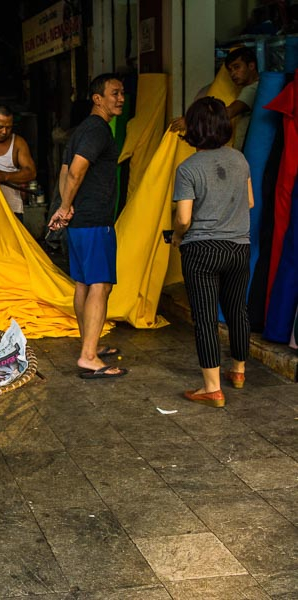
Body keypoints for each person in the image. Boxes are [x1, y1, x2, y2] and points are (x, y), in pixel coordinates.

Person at [172, 97, 253, 407]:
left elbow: (183, 219)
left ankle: (212, 389)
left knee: (206, 319)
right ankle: (239, 371)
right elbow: (249, 202)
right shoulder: (240, 159)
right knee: (237, 311)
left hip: (202, 251)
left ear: (192, 129)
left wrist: (178, 237)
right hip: (239, 248)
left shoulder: (188, 168)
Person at [48, 73, 128, 379]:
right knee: (101, 285)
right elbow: (77, 169)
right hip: (94, 219)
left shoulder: (82, 130)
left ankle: (88, 343)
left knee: (83, 283)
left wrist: (65, 209)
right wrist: (65, 206)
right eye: (114, 93)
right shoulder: (97, 130)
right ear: (97, 98)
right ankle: (89, 356)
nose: (120, 98)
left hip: (80, 221)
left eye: (122, 93)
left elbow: (65, 169)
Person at [171, 46, 259, 151]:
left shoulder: (252, 89)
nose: (233, 74)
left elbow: (228, 113)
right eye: (230, 70)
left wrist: (191, 121)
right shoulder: (250, 88)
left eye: (237, 67)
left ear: (251, 66)